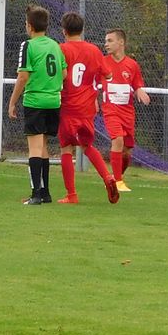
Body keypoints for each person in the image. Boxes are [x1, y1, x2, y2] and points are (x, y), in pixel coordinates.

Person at [57, 11, 117, 204]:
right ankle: (107, 177)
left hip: (68, 106)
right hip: (88, 107)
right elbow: (108, 75)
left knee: (66, 149)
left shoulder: (61, 49)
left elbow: (59, 75)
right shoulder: (94, 50)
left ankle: (71, 195)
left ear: (64, 31)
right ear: (82, 30)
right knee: (87, 146)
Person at [8, 5, 65, 204]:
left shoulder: (28, 45)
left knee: (34, 148)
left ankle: (35, 195)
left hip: (35, 101)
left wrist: (12, 102)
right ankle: (45, 193)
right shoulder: (55, 45)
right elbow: (64, 73)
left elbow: (23, 76)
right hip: (54, 101)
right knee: (43, 147)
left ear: (30, 26)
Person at [102, 28, 152, 192]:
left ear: (121, 42)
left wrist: (139, 90)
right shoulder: (102, 63)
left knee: (127, 149)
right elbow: (93, 82)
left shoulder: (132, 65)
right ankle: (118, 182)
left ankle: (115, 177)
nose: (106, 44)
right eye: (106, 41)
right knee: (117, 140)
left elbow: (137, 84)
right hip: (111, 111)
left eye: (110, 41)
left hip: (127, 112)